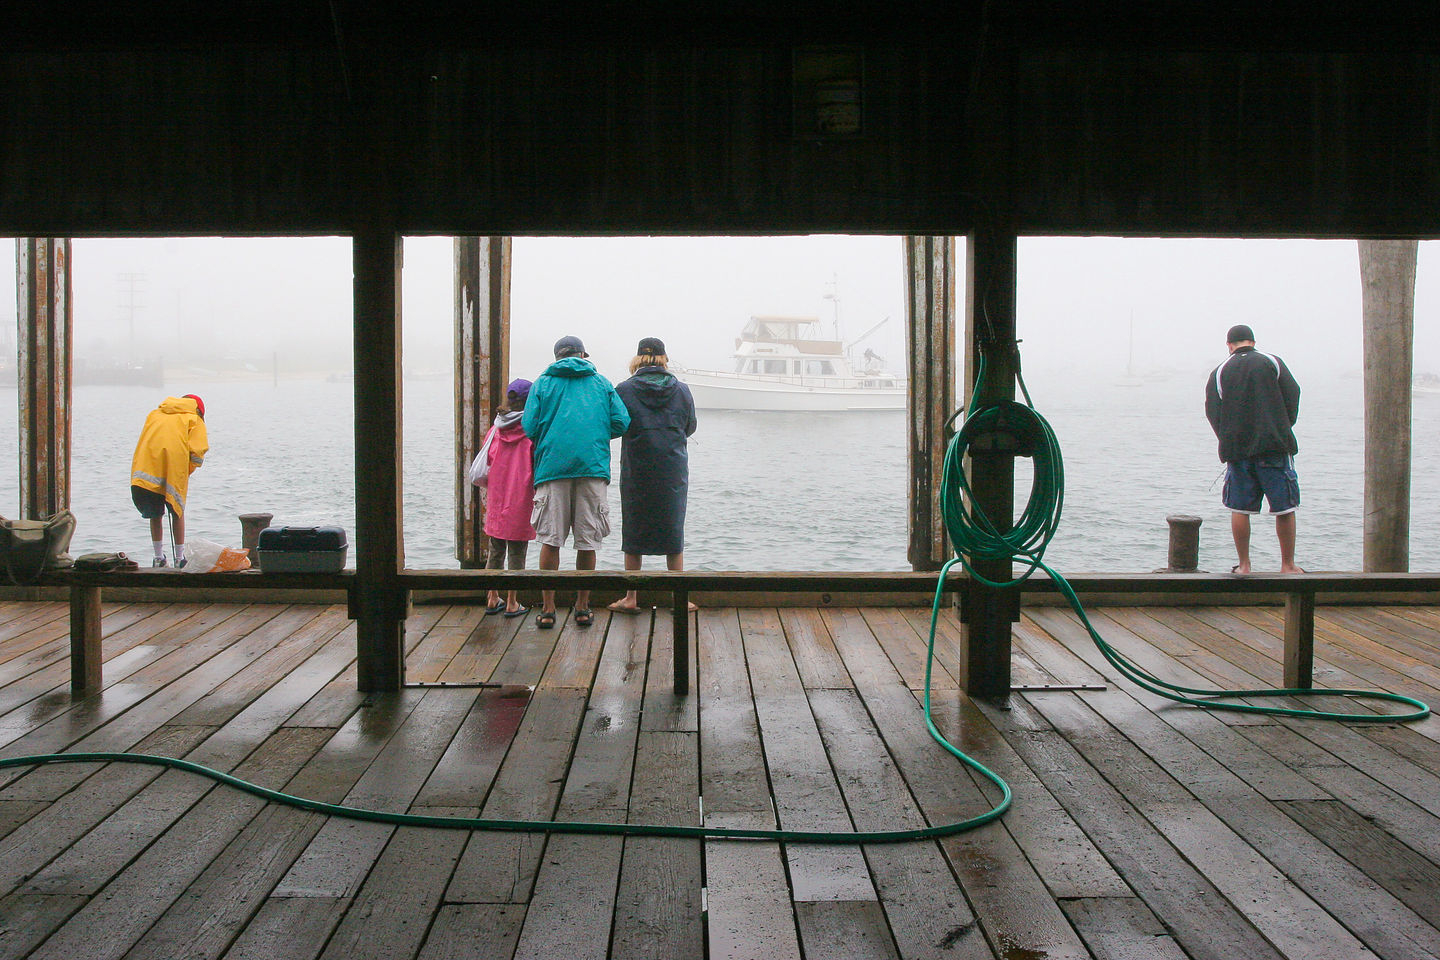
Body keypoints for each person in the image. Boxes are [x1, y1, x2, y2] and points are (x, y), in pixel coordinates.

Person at [522, 335, 631, 628]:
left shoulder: (543, 383)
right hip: (592, 469)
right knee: (587, 541)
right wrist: (593, 435)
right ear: (584, 355)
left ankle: (547, 609)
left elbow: (529, 425)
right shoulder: (601, 383)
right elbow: (622, 421)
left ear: (557, 356)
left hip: (552, 469)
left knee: (550, 539)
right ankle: (582, 608)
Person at [608, 337, 698, 614]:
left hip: (638, 466)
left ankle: (631, 596)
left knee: (634, 527)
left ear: (638, 359)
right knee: (673, 526)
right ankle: (678, 596)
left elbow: (616, 424)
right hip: (672, 467)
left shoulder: (624, 389)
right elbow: (690, 426)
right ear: (663, 359)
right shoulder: (681, 390)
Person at [1205, 324, 1302, 574]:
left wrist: (1226, 437)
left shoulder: (1220, 371)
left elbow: (1213, 411)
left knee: (1240, 509)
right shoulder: (1273, 362)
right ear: (1253, 342)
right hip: (1275, 447)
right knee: (1284, 508)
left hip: (1238, 452)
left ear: (1229, 345)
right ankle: (1287, 565)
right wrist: (1283, 425)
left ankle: (1245, 565)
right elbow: (1293, 394)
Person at [130, 394, 208, 568]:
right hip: (173, 470)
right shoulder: (194, 419)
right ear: (199, 410)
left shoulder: (154, 414)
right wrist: (187, 470)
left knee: (155, 514)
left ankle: (158, 558)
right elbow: (198, 453)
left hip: (145, 471)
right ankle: (180, 558)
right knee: (177, 511)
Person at [480, 379, 536, 618]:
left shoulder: (496, 429)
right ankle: (513, 601)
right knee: (517, 552)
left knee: (495, 549)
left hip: (497, 496)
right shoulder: (532, 429)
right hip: (521, 497)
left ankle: (492, 597)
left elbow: (488, 459)